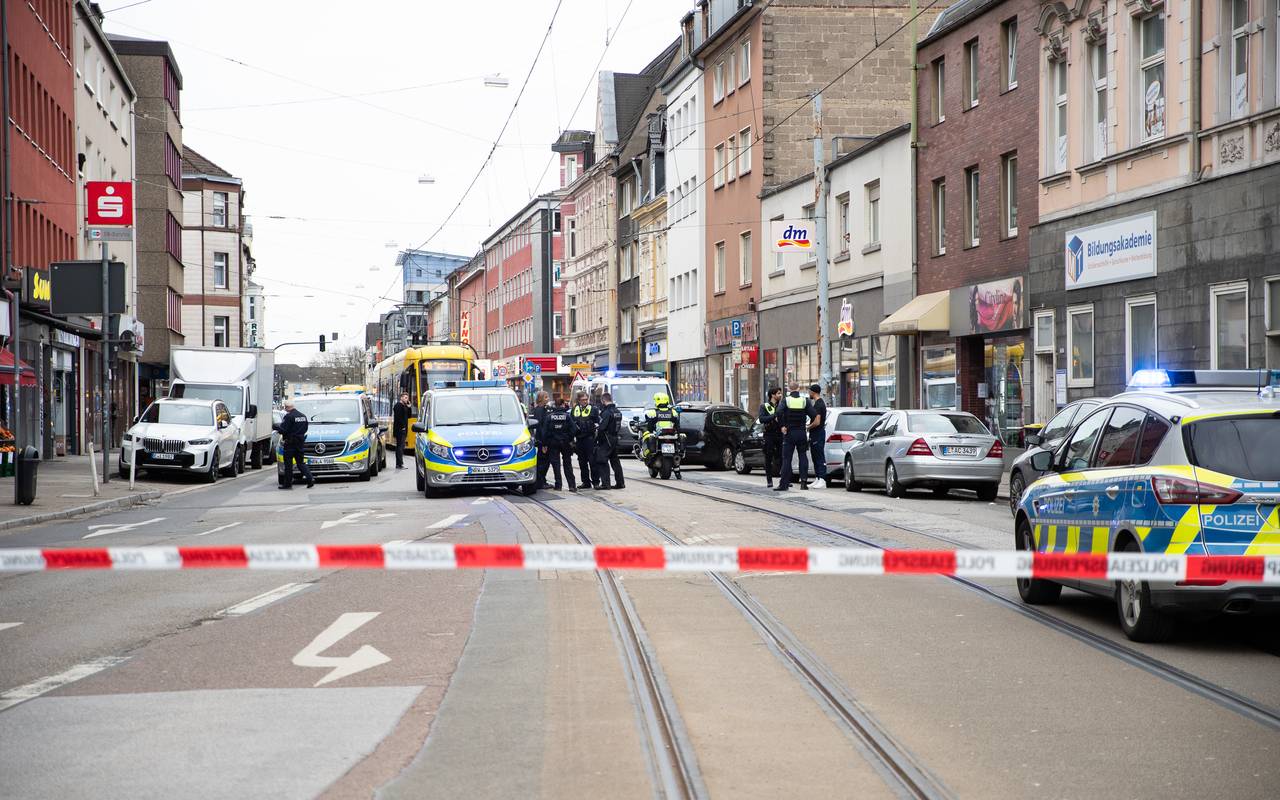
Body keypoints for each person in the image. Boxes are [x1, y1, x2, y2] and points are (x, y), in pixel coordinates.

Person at [775, 382, 812, 492]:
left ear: (788, 389)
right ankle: (804, 483)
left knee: (787, 459)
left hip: (789, 433)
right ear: (799, 389)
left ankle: (784, 484)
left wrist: (782, 426)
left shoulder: (786, 400)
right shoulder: (805, 401)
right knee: (803, 456)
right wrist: (808, 426)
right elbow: (813, 414)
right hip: (801, 433)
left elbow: (778, 412)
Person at [274, 398, 315, 490]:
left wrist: (276, 428)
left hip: (290, 444)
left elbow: (283, 429)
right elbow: (305, 429)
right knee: (301, 463)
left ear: (287, 407)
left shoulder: (289, 417)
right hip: (300, 443)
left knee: (288, 465)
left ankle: (288, 484)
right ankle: (310, 478)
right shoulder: (303, 416)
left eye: (285, 407)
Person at [542, 394, 577, 491]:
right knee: (567, 464)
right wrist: (570, 438)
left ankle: (558, 485)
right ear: (562, 405)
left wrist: (545, 444)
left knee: (556, 465)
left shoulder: (550, 417)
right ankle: (572, 485)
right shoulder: (567, 416)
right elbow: (574, 429)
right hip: (565, 442)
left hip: (553, 443)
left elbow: (545, 432)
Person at [594, 392, 626, 489]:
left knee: (601, 460)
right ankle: (620, 483)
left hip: (606, 439)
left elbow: (602, 428)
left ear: (603, 401)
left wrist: (597, 439)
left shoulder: (606, 413)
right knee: (615, 461)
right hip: (615, 439)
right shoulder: (617, 412)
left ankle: (605, 484)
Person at [571, 391, 600, 489]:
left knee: (593, 461)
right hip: (579, 440)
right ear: (579, 400)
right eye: (583, 400)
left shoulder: (593, 409)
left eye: (586, 399)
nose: (585, 401)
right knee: (582, 462)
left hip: (590, 439)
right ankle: (586, 482)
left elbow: (598, 422)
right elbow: (571, 423)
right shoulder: (575, 409)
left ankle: (596, 482)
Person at [640, 392, 679, 461]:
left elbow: (650, 426)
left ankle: (644, 453)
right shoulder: (673, 412)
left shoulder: (652, 412)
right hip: (671, 435)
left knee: (646, 435)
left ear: (657, 401)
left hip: (658, 434)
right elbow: (677, 425)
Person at [758, 386, 784, 488]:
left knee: (783, 457)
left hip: (780, 434)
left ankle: (784, 479)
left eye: (780, 393)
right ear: (772, 395)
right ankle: (769, 480)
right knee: (768, 457)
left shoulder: (781, 406)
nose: (780, 395)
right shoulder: (764, 406)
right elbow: (761, 419)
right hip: (769, 434)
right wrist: (774, 416)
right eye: (778, 393)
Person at [807, 383, 829, 486]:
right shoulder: (816, 403)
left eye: (809, 391)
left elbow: (817, 421)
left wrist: (808, 427)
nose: (808, 393)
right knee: (815, 455)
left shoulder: (819, 404)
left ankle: (822, 479)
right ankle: (818, 478)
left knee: (819, 455)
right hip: (815, 433)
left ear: (813, 392)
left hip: (818, 433)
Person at [531, 391, 551, 489]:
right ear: (541, 399)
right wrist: (544, 443)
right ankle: (540, 481)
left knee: (545, 461)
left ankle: (542, 480)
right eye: (546, 397)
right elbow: (540, 427)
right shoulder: (540, 410)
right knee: (543, 462)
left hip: (543, 440)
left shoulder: (543, 409)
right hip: (542, 441)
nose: (548, 398)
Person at [392, 392, 412, 469]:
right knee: (400, 447)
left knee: (401, 446)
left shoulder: (405, 406)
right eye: (405, 397)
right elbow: (398, 418)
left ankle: (399, 464)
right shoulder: (398, 406)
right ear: (401, 398)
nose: (407, 399)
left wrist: (409, 407)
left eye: (407, 398)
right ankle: (399, 464)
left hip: (403, 429)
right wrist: (403, 427)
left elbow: (409, 416)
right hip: (400, 430)